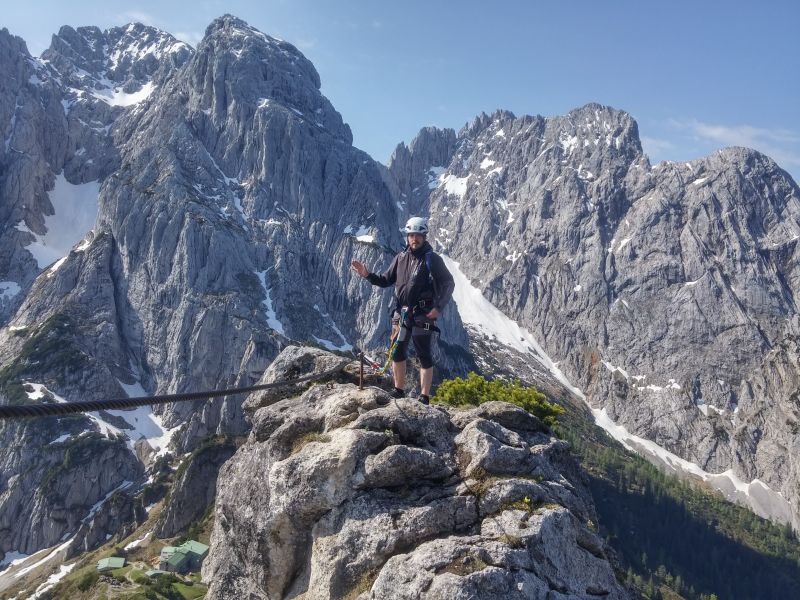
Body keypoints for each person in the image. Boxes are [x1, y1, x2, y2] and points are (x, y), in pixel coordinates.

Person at [351, 216, 455, 404]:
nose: (414, 239)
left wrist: (438, 308)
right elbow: (385, 280)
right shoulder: (400, 258)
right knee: (397, 351)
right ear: (407, 237)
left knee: (423, 354)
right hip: (402, 313)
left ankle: (424, 397)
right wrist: (367, 275)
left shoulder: (432, 259)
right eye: (411, 235)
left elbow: (448, 283)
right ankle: (399, 390)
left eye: (418, 235)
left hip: (423, 314)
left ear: (424, 236)